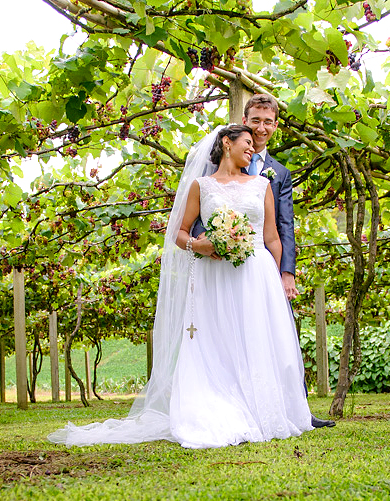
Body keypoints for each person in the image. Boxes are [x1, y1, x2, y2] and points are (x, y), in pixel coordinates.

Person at [48, 125, 314, 448]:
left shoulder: (262, 186)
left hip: (256, 274)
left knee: (256, 339)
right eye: (246, 143)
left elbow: (272, 237)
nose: (252, 149)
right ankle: (221, 407)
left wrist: (279, 276)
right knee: (219, 342)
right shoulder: (201, 187)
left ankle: (262, 408)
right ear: (226, 144)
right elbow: (180, 232)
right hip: (213, 275)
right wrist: (199, 246)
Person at [195, 94, 334, 428]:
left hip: (261, 266)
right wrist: (209, 241)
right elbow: (200, 207)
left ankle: (293, 409)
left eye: (268, 121)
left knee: (275, 333)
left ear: (275, 126)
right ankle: (230, 405)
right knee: (227, 334)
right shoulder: (211, 165)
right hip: (219, 263)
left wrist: (287, 272)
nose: (261, 127)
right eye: (255, 120)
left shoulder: (279, 173)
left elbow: (283, 226)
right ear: (245, 120)